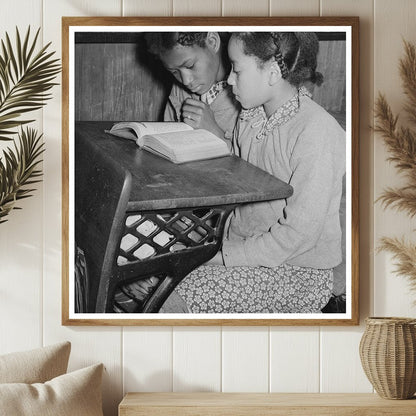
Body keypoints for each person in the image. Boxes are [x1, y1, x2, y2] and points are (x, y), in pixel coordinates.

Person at [158, 31, 346, 314]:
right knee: (155, 283)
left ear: (271, 72)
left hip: (299, 271)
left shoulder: (317, 131)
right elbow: (239, 173)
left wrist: (222, 257)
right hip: (244, 251)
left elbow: (299, 235)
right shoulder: (251, 117)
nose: (230, 79)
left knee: (172, 300)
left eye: (237, 68)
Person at [144, 31, 240, 141]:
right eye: (174, 72)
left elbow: (250, 157)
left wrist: (214, 132)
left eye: (190, 66)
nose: (185, 81)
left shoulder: (246, 93)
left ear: (212, 42)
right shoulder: (179, 90)